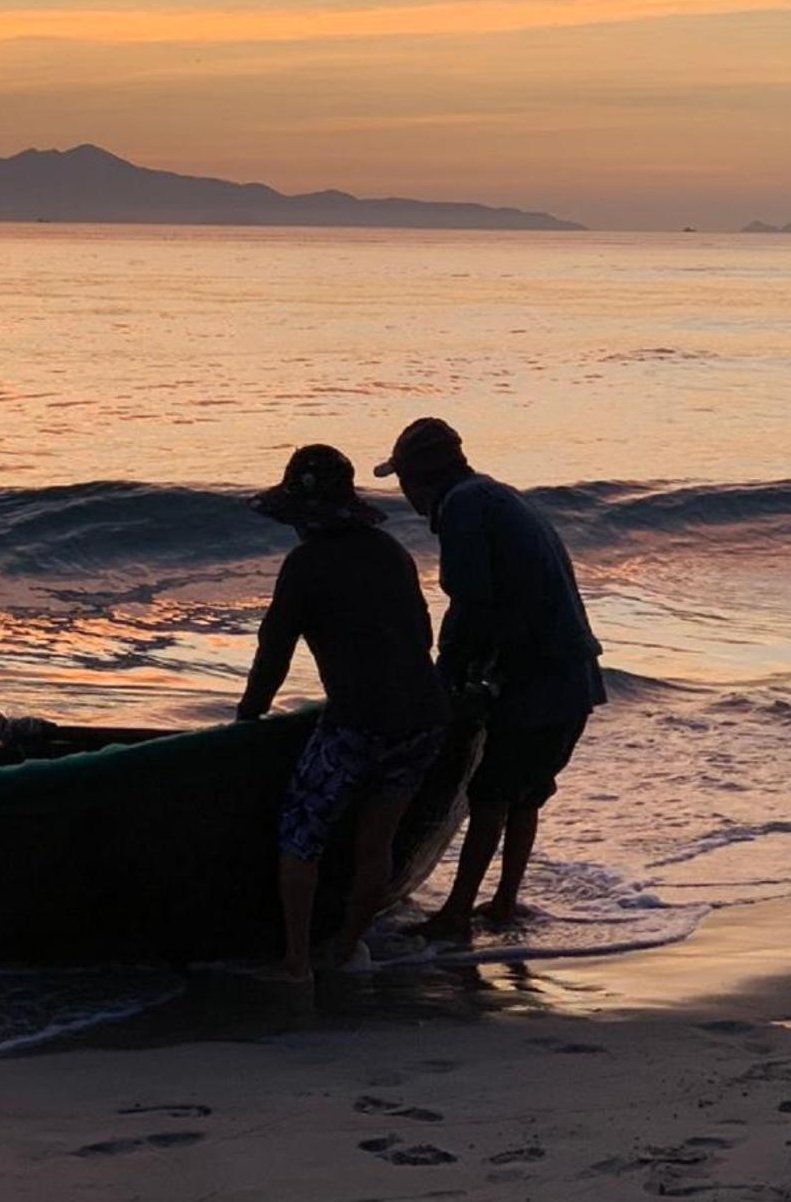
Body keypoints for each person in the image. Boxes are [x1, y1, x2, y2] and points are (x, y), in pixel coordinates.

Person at [371, 418, 605, 944]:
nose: (404, 494)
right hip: (574, 675)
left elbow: (471, 604)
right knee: (526, 794)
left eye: (403, 480)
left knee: (491, 792)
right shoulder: (498, 496)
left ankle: (457, 912)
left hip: (537, 680)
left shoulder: (462, 507)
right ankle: (503, 901)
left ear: (417, 479)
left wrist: (443, 678)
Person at [236, 444, 448, 981]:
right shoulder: (391, 551)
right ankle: (348, 948)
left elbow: (274, 654)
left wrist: (246, 722)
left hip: (359, 720)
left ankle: (297, 961)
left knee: (301, 834)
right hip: (424, 715)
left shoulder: (305, 564)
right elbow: (422, 634)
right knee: (375, 841)